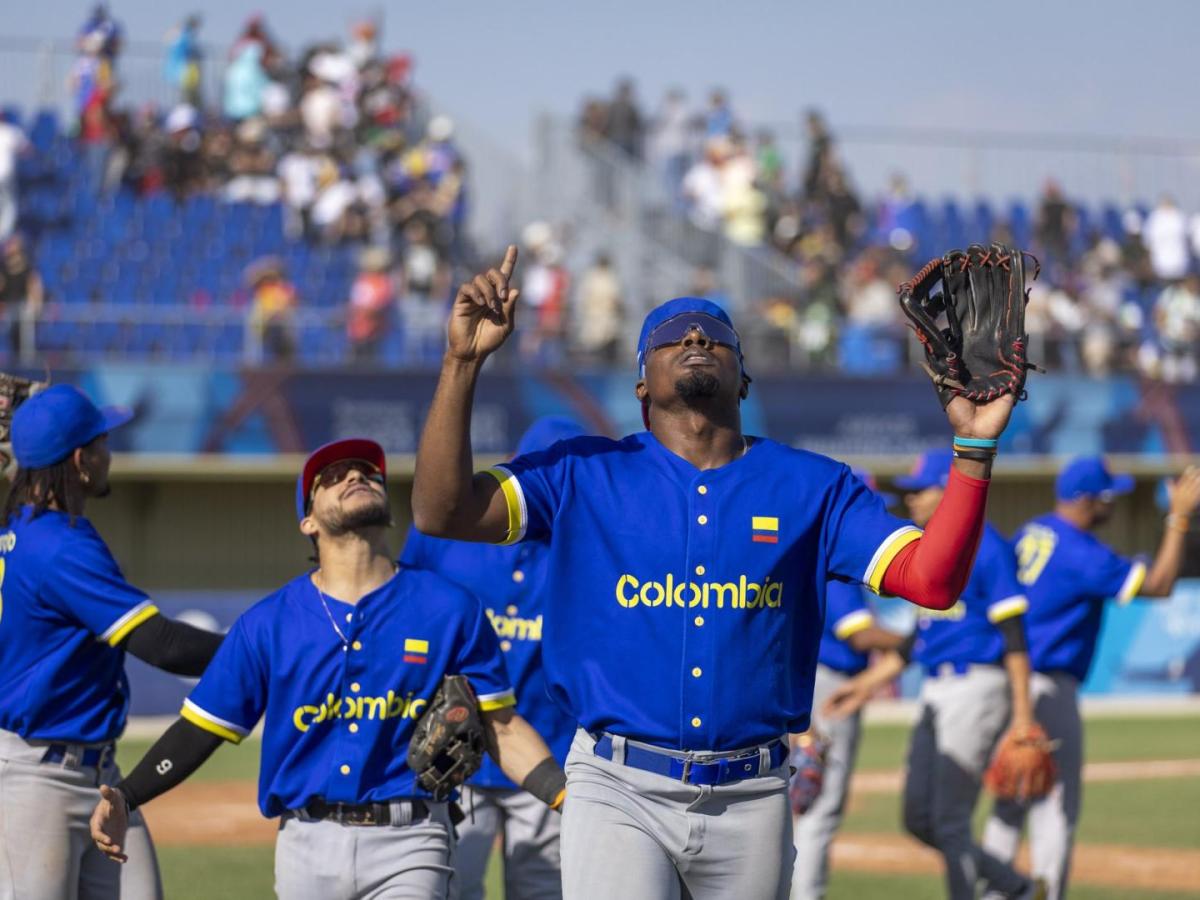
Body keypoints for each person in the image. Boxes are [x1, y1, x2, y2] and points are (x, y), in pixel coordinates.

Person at [411, 245, 1020, 898]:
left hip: (752, 792)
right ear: (642, 383)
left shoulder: (813, 485)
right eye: (673, 334)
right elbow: (442, 511)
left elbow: (931, 581)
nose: (696, 335)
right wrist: (462, 362)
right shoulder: (582, 471)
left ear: (744, 378)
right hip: (617, 784)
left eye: (716, 334)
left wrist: (975, 447)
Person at [90, 438, 566, 900]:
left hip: (413, 838)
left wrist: (565, 798)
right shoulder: (268, 624)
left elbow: (499, 725)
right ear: (307, 521)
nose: (355, 476)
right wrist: (126, 796)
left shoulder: (449, 608)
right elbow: (200, 730)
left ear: (391, 507)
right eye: (333, 477)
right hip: (306, 843)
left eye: (368, 473)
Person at [0, 384, 224, 899]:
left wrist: (35, 425)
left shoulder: (21, 525)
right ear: (80, 459)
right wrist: (259, 649)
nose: (110, 454)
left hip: (98, 775)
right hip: (36, 781)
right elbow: (161, 644)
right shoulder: (59, 544)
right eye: (103, 441)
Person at [825, 449, 1045, 900]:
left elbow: (1016, 637)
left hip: (978, 684)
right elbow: (918, 642)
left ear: (948, 492)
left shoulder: (986, 544)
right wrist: (865, 686)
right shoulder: (931, 551)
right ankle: (1015, 886)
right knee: (918, 819)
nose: (909, 502)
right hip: (937, 687)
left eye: (918, 492)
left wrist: (1023, 716)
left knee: (948, 820)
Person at [980, 456, 1200, 900]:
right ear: (1086, 500)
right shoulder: (1080, 551)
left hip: (1010, 678)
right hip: (1047, 684)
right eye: (1107, 497)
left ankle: (991, 893)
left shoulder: (1034, 529)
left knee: (1009, 798)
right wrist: (1177, 518)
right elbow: (1159, 585)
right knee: (1055, 805)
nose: (1113, 504)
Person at [402, 417, 586, 900]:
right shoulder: (452, 531)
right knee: (452, 890)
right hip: (455, 753)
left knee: (546, 892)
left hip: (554, 757)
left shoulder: (592, 551)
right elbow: (405, 612)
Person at [790, 472, 909, 900]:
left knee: (800, 802)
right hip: (829, 686)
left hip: (816, 682)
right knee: (818, 808)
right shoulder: (833, 565)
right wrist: (918, 638)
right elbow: (859, 635)